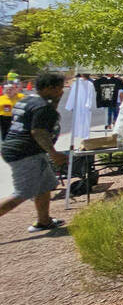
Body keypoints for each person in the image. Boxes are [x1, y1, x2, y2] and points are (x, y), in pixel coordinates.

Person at [0, 72, 67, 232]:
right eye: (59, 88)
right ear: (50, 88)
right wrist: (54, 153)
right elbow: (38, 132)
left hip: (24, 149)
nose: (62, 92)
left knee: (45, 185)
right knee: (22, 193)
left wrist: (55, 100)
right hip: (25, 152)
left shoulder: (27, 100)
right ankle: (43, 220)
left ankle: (44, 221)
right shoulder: (43, 107)